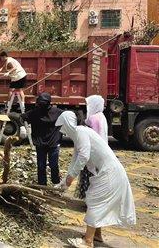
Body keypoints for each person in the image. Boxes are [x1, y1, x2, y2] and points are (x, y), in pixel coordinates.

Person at [55, 111, 136, 248]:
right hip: (107, 172)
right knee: (95, 200)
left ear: (68, 123)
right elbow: (75, 159)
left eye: (63, 125)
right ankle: (97, 235)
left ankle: (88, 241)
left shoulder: (81, 131)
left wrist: (70, 179)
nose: (62, 130)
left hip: (110, 173)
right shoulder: (80, 134)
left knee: (94, 202)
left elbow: (83, 157)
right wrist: (64, 181)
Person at [20, 92, 63, 186]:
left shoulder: (57, 112)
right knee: (41, 166)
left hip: (53, 143)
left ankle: (56, 183)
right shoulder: (36, 112)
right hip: (41, 144)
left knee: (53, 165)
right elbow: (23, 118)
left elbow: (23, 118)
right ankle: (42, 185)